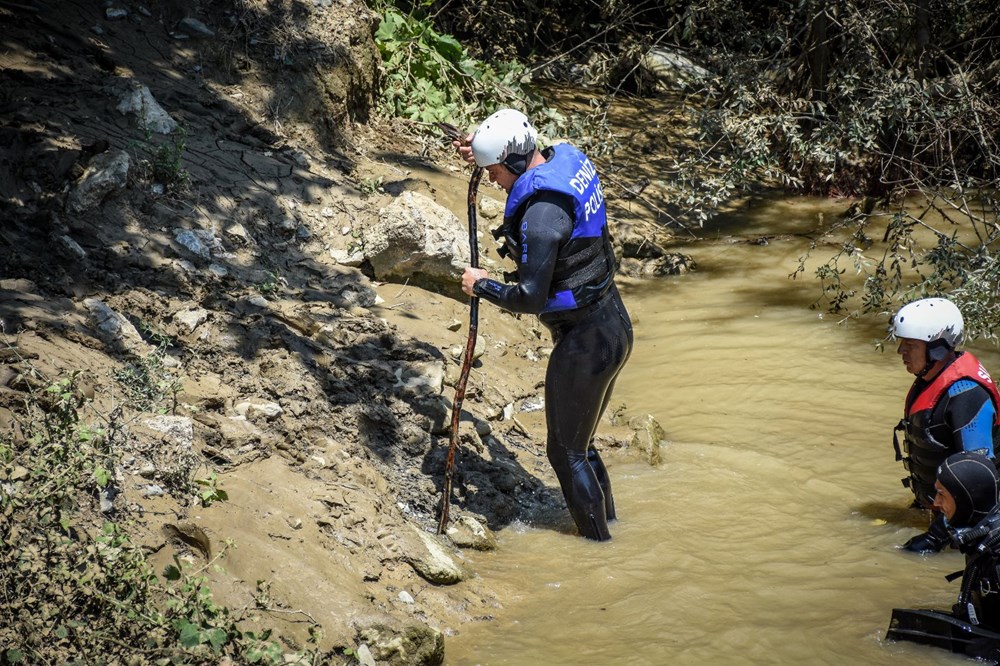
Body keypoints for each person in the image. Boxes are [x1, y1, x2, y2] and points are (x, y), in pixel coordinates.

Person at [453, 108, 633, 541]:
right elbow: (511, 153)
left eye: (494, 171)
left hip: (587, 342)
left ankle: (598, 550)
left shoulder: (541, 216)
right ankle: (611, 531)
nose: (492, 180)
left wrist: (483, 286)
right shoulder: (558, 160)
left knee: (565, 451)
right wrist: (480, 150)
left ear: (512, 161)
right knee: (581, 444)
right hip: (613, 325)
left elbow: (531, 298)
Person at [889, 297, 1000, 553]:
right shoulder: (932, 376)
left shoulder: (966, 394)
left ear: (937, 348)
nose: (901, 352)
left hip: (969, 523)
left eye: (910, 345)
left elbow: (976, 476)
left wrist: (935, 538)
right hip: (942, 509)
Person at [887, 451, 1000, 661]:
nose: (936, 503)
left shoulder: (995, 553)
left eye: (941, 494)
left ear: (964, 499)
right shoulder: (979, 532)